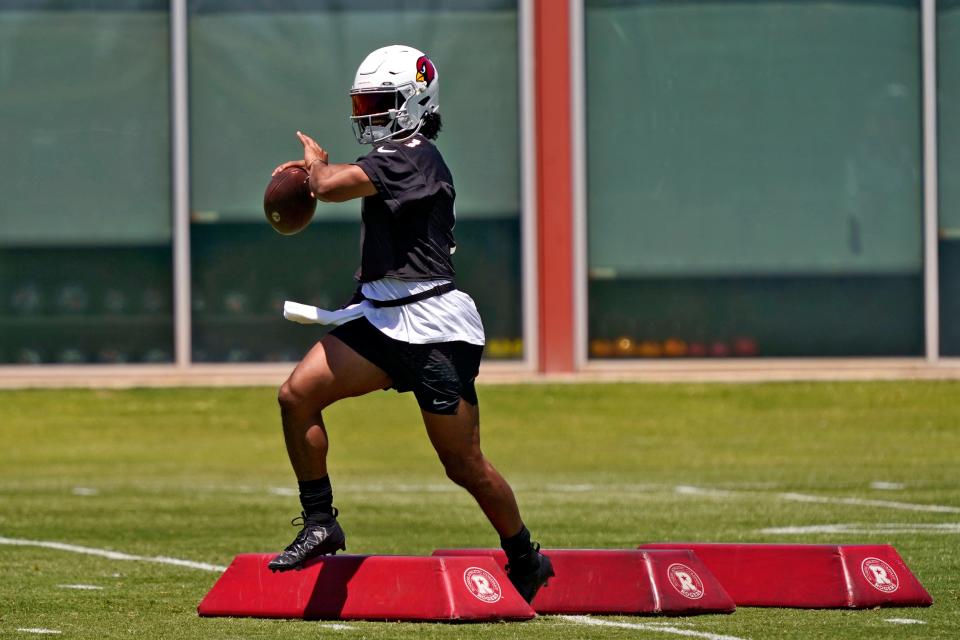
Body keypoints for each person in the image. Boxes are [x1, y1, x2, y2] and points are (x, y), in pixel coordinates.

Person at [266, 44, 553, 603]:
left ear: (414, 102)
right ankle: (320, 521)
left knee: (464, 464)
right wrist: (316, 174)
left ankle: (525, 554)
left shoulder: (415, 153)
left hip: (433, 327)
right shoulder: (392, 154)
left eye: (379, 101)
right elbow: (338, 183)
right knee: (296, 395)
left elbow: (330, 187)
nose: (367, 113)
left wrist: (313, 166)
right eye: (362, 102)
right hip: (382, 318)